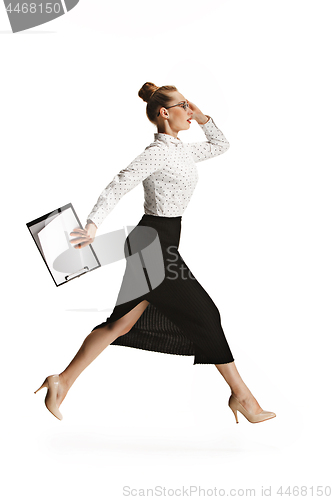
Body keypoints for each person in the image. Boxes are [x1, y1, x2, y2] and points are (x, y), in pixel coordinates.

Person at [34, 82, 276, 425]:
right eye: (183, 107)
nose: (189, 113)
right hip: (153, 245)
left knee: (121, 323)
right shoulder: (158, 152)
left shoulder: (182, 149)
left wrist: (202, 113)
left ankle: (62, 381)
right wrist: (92, 225)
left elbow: (221, 144)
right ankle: (244, 397)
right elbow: (120, 182)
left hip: (159, 242)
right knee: (206, 313)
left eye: (189, 107)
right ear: (165, 112)